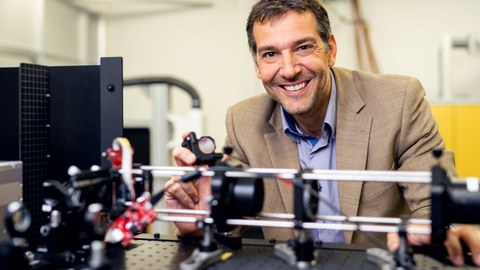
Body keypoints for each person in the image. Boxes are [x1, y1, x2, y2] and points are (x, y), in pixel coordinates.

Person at [165, 0, 480, 266]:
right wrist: (203, 223)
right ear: (257, 64)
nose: (288, 70)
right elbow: (238, 231)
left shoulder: (398, 100)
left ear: (330, 49)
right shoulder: (244, 121)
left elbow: (434, 203)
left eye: (302, 47)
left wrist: (431, 229)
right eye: (270, 54)